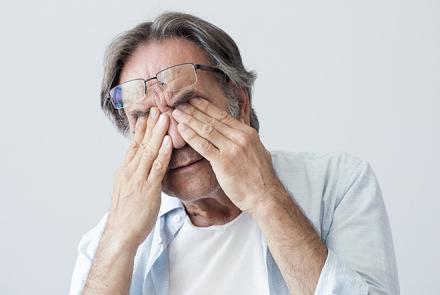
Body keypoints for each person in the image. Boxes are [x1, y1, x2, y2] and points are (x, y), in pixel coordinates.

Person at [69, 12, 400, 295]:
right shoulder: (107, 240)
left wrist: (265, 197)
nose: (175, 138)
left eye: (186, 104)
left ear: (239, 104)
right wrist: (120, 240)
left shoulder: (338, 185)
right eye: (146, 118)